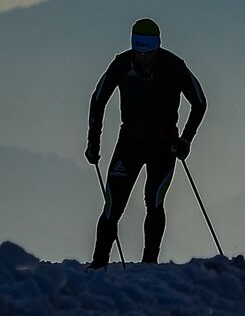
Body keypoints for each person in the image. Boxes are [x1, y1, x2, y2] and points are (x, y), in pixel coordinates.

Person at [86, 17, 207, 268]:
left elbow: (199, 102)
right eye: (138, 52)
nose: (143, 58)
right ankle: (98, 265)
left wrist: (185, 139)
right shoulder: (121, 64)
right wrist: (93, 143)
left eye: (148, 52)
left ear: (157, 47)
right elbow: (98, 100)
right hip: (129, 143)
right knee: (113, 205)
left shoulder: (174, 66)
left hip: (164, 146)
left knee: (154, 202)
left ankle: (149, 264)